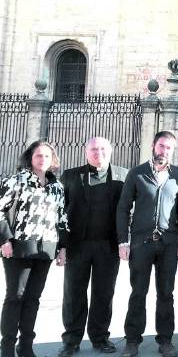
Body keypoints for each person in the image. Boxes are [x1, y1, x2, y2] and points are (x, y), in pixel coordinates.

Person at [116, 131, 178, 357]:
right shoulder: (137, 173)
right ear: (153, 146)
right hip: (141, 242)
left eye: (168, 148)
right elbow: (123, 208)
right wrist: (123, 241)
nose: (163, 151)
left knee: (166, 293)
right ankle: (132, 341)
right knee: (138, 292)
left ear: (172, 151)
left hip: (169, 242)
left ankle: (165, 340)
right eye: (161, 146)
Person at [58, 137, 128, 357]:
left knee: (104, 294)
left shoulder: (123, 176)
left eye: (103, 149)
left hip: (108, 246)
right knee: (73, 293)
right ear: (86, 152)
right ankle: (71, 340)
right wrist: (62, 245)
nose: (98, 152)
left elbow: (127, 211)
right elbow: (60, 212)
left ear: (110, 151)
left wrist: (123, 242)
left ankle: (100, 337)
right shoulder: (70, 176)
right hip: (77, 245)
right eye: (93, 149)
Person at [0, 141, 67, 357]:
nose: (42, 160)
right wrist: (5, 240)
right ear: (30, 157)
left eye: (47, 156)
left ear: (52, 160)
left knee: (33, 298)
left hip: (46, 249)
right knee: (15, 296)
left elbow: (63, 219)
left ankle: (26, 346)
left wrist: (63, 247)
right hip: (19, 247)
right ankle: (7, 347)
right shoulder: (16, 181)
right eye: (38, 155)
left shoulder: (57, 186)